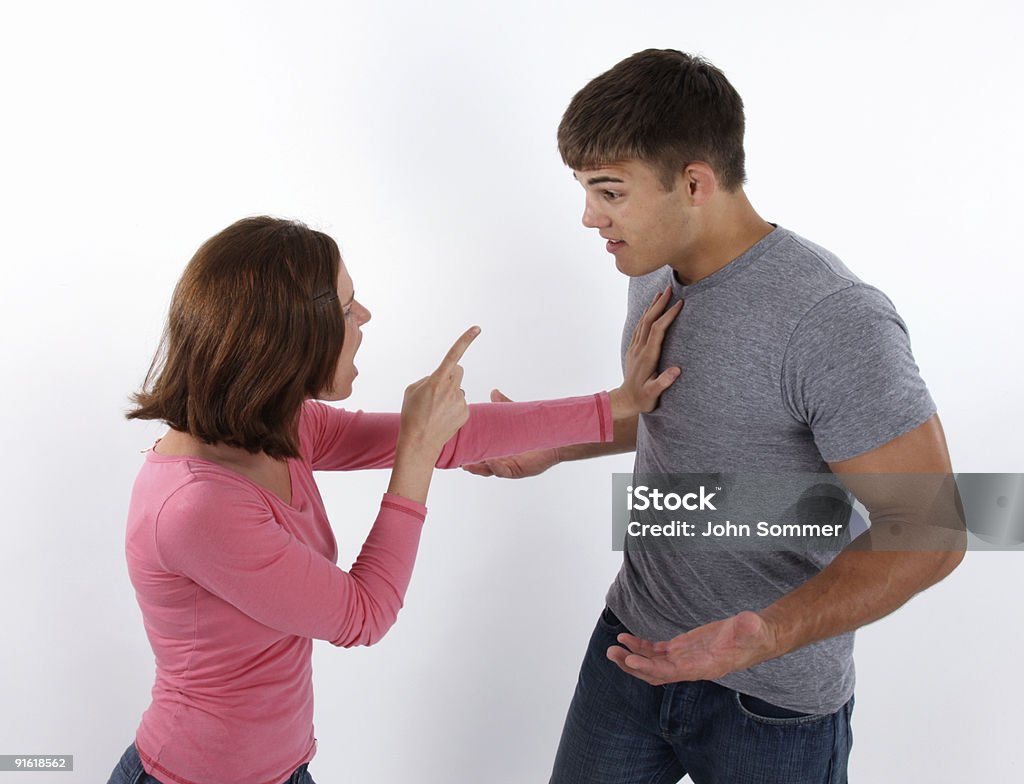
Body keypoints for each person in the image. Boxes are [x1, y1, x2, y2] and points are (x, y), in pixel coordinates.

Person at [465, 49, 965, 783]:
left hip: (770, 700)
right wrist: (554, 443)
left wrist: (765, 635)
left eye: (609, 192)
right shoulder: (654, 270)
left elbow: (934, 527)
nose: (588, 217)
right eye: (584, 190)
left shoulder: (831, 319)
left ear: (694, 182)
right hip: (630, 648)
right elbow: (683, 412)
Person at [107, 215, 682, 784]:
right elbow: (362, 615)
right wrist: (416, 456)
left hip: (281, 770)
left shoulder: (277, 428)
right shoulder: (196, 506)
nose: (364, 317)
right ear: (285, 338)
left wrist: (615, 403)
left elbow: (442, 437)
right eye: (344, 307)